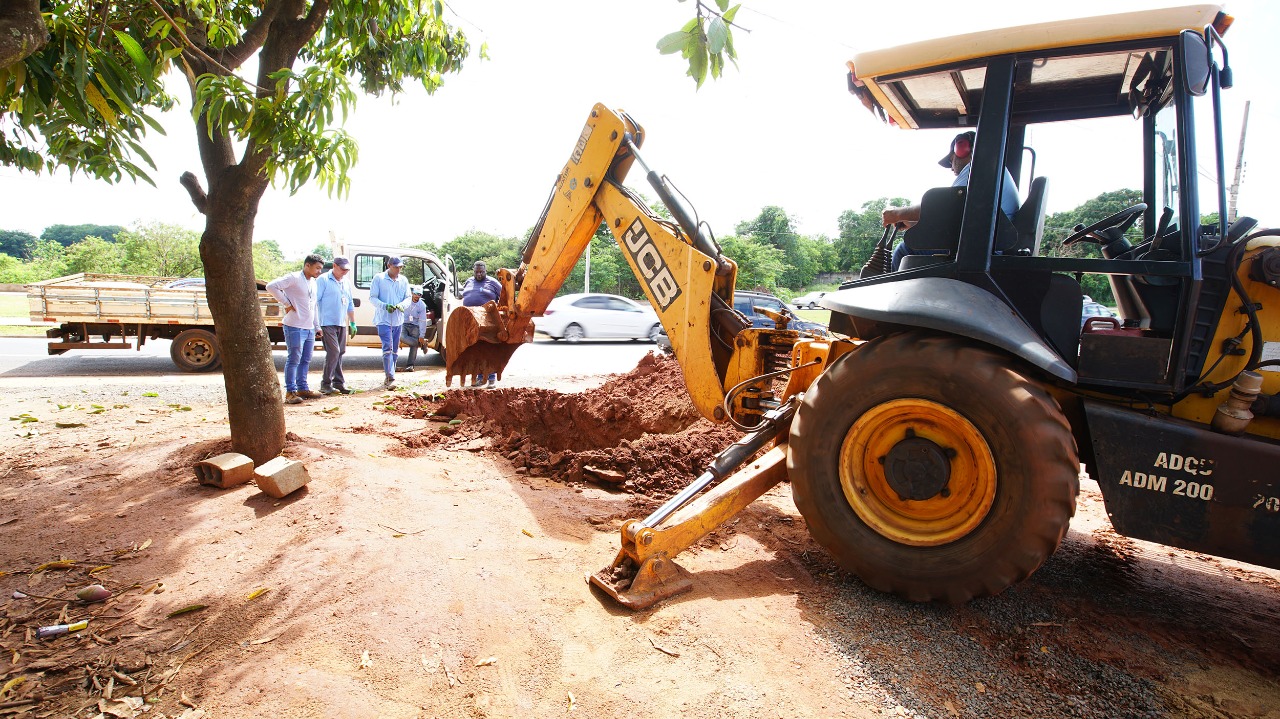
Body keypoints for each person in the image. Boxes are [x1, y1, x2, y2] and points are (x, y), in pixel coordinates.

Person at [883, 131, 1022, 270]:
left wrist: (896, 214)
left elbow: (941, 207)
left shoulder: (977, 169)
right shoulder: (994, 172)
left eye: (951, 161)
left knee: (904, 251)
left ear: (963, 149)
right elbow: (951, 219)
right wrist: (913, 223)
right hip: (985, 244)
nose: (952, 169)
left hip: (978, 249)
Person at [267, 254, 324, 404]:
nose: (319, 271)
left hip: (309, 327)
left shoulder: (313, 282)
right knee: (294, 359)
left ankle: (302, 388)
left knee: (305, 359)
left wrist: (317, 326)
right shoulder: (294, 277)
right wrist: (286, 303)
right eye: (317, 268)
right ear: (307, 265)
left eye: (320, 269)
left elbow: (314, 306)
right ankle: (290, 392)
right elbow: (271, 286)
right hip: (294, 326)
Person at [316, 255, 357, 395]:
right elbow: (315, 302)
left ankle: (338, 382)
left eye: (347, 270)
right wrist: (316, 324)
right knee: (333, 352)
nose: (345, 272)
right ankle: (325, 383)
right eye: (342, 269)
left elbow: (350, 303)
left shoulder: (346, 282)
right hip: (327, 322)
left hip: (341, 323)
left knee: (340, 352)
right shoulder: (323, 280)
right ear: (334, 266)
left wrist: (352, 322)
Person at [370, 256, 411, 390]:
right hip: (383, 319)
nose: (398, 269)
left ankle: (390, 374)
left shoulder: (403, 280)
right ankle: (390, 377)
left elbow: (408, 297)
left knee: (395, 350)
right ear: (389, 266)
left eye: (400, 267)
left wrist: (402, 305)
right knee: (387, 347)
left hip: (398, 320)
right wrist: (384, 306)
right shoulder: (379, 278)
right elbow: (373, 298)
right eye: (396, 267)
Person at [461, 260, 503, 388]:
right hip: (471, 320)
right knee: (476, 349)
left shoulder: (493, 282)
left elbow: (504, 297)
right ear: (473, 271)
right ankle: (479, 378)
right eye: (476, 272)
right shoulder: (469, 281)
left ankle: (491, 379)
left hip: (488, 320)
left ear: (486, 271)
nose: (479, 274)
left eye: (481, 272)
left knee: (489, 348)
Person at [401, 286, 428, 372]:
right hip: (404, 324)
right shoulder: (407, 301)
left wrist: (422, 335)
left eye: (419, 294)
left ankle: (410, 365)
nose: (417, 296)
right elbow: (401, 306)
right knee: (400, 337)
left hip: (415, 325)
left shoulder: (422, 306)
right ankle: (421, 344)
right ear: (412, 293)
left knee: (414, 345)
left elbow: (423, 320)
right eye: (415, 294)